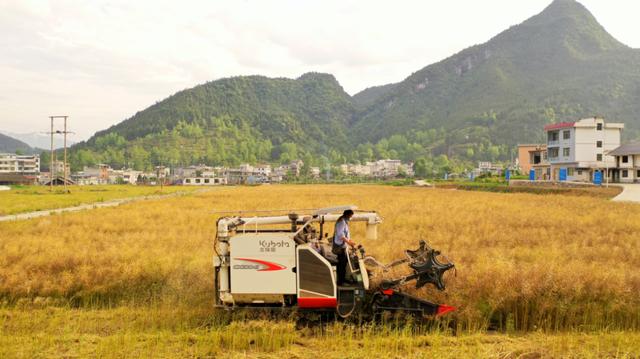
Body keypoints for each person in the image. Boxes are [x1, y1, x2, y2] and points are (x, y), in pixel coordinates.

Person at [333, 209, 356, 285]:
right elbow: (341, 235)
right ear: (348, 215)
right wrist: (349, 242)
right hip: (340, 247)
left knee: (344, 263)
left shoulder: (344, 221)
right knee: (341, 264)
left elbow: (345, 235)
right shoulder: (341, 222)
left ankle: (343, 279)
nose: (350, 218)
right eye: (350, 216)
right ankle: (341, 281)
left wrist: (350, 241)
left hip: (343, 246)